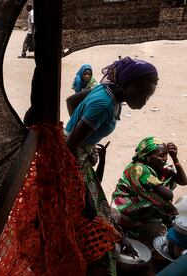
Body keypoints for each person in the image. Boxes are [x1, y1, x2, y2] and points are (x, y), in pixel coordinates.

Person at [65, 57, 159, 275]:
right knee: (90, 211)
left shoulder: (107, 90)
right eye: (141, 94)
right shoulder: (104, 105)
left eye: (148, 97)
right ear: (126, 84)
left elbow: (71, 102)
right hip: (71, 158)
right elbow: (69, 148)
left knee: (97, 209)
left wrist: (87, 136)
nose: (144, 101)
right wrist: (84, 192)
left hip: (79, 152)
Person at [112, 137, 187, 238]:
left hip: (142, 202)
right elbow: (168, 195)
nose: (165, 158)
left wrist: (175, 158)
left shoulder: (161, 165)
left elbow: (183, 181)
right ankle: (129, 227)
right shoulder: (139, 169)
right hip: (125, 205)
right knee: (163, 205)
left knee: (162, 205)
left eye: (166, 154)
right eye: (161, 155)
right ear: (147, 157)